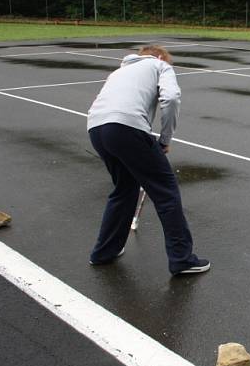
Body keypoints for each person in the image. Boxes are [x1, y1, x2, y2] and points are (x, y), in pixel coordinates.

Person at [86, 45, 210, 275]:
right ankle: (182, 259)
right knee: (166, 191)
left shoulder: (118, 71)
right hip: (126, 126)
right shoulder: (159, 64)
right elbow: (172, 98)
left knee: (124, 189)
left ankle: (104, 252)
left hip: (96, 128)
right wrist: (164, 139)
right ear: (161, 56)